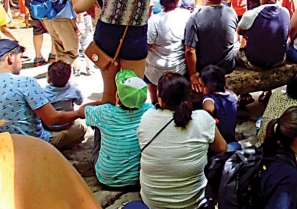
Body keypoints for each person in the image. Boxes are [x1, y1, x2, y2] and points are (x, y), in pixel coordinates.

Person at [73, 0, 155, 105]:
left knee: (109, 93)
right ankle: (131, 129)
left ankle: (107, 129)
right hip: (137, 34)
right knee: (134, 93)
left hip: (108, 35)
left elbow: (79, 6)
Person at [138, 72, 227, 209]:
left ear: (160, 99)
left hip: (152, 203)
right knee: (234, 147)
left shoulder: (147, 118)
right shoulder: (202, 119)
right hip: (194, 203)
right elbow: (222, 149)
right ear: (187, 97)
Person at [0, 39, 86, 149]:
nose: (21, 62)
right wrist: (79, 112)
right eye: (20, 57)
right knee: (79, 127)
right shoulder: (25, 83)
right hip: (33, 144)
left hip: (3, 144)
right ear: (10, 57)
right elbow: (53, 119)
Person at [79, 69, 154, 188]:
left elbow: (82, 111)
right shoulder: (151, 110)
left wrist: (99, 103)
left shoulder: (104, 111)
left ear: (117, 97)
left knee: (98, 124)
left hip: (106, 178)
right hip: (136, 179)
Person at [0, 133, 101, 209]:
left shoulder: (30, 152)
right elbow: (53, 119)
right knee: (79, 128)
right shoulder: (31, 152)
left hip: (102, 174)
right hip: (40, 137)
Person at [184, 0, 238, 92]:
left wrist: (193, 75)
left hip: (205, 69)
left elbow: (189, 50)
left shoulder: (195, 16)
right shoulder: (231, 12)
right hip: (226, 66)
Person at [145, 0, 189, 104]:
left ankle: (155, 103)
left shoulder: (154, 21)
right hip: (179, 69)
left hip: (155, 73)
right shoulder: (187, 16)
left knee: (148, 72)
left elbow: (146, 47)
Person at [236, 0, 290, 70]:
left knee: (237, 53)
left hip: (254, 62)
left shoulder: (250, 14)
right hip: (278, 60)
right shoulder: (285, 12)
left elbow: (239, 31)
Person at [200, 65, 239, 151]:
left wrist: (209, 118)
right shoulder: (232, 95)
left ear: (210, 86)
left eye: (202, 86)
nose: (201, 89)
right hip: (232, 141)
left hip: (218, 146)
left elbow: (209, 108)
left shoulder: (209, 98)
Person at [43, 61, 83, 131]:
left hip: (50, 126)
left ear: (49, 79)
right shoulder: (73, 90)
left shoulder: (44, 93)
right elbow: (80, 101)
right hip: (68, 122)